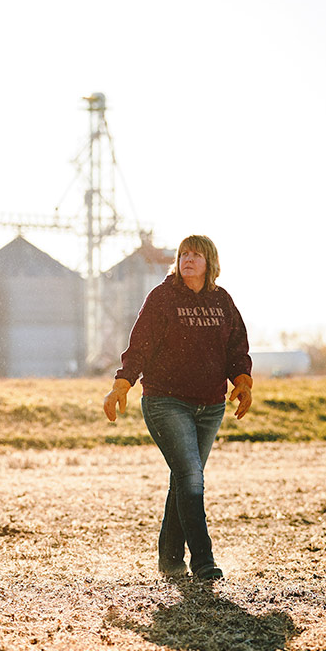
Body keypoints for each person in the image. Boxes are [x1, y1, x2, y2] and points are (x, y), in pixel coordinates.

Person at [103, 234, 253, 582]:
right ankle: (203, 561)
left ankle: (171, 561)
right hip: (165, 400)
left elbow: (236, 347)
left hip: (211, 405)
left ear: (210, 263)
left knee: (184, 480)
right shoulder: (162, 297)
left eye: (196, 255)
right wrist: (121, 384)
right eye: (184, 253)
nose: (188, 259)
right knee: (191, 477)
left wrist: (242, 382)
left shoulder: (222, 301)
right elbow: (139, 345)